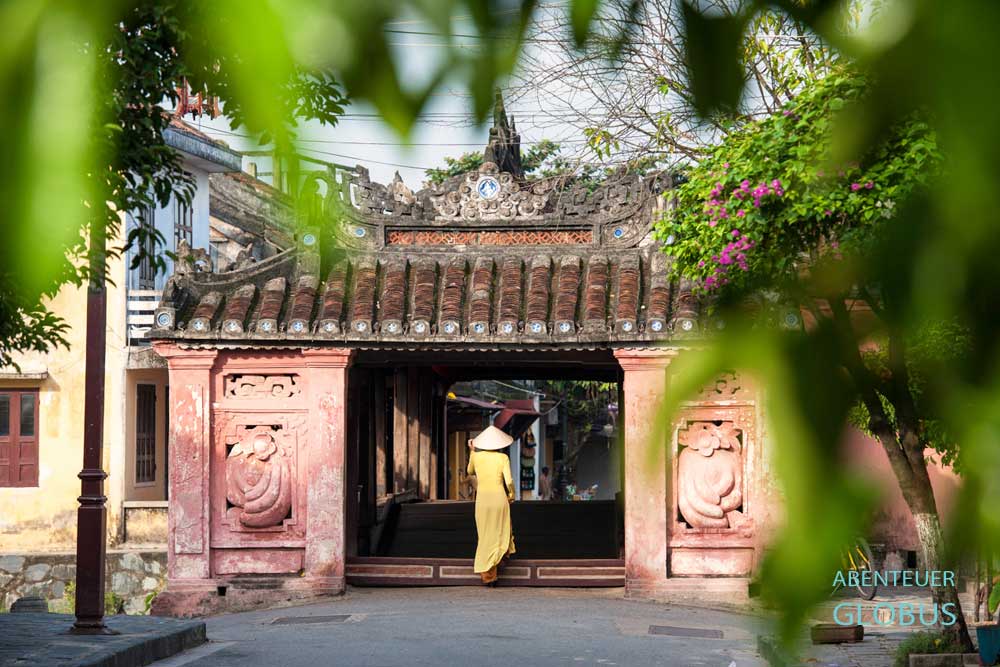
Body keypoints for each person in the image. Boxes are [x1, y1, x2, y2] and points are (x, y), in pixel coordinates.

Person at [466, 426, 516, 586]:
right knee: (501, 531)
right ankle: (497, 561)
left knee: (485, 535)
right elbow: (509, 481)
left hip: (482, 500)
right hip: (499, 499)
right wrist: (511, 495)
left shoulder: (476, 457)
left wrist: (472, 451)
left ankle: (488, 575)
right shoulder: (502, 458)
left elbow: (470, 471)